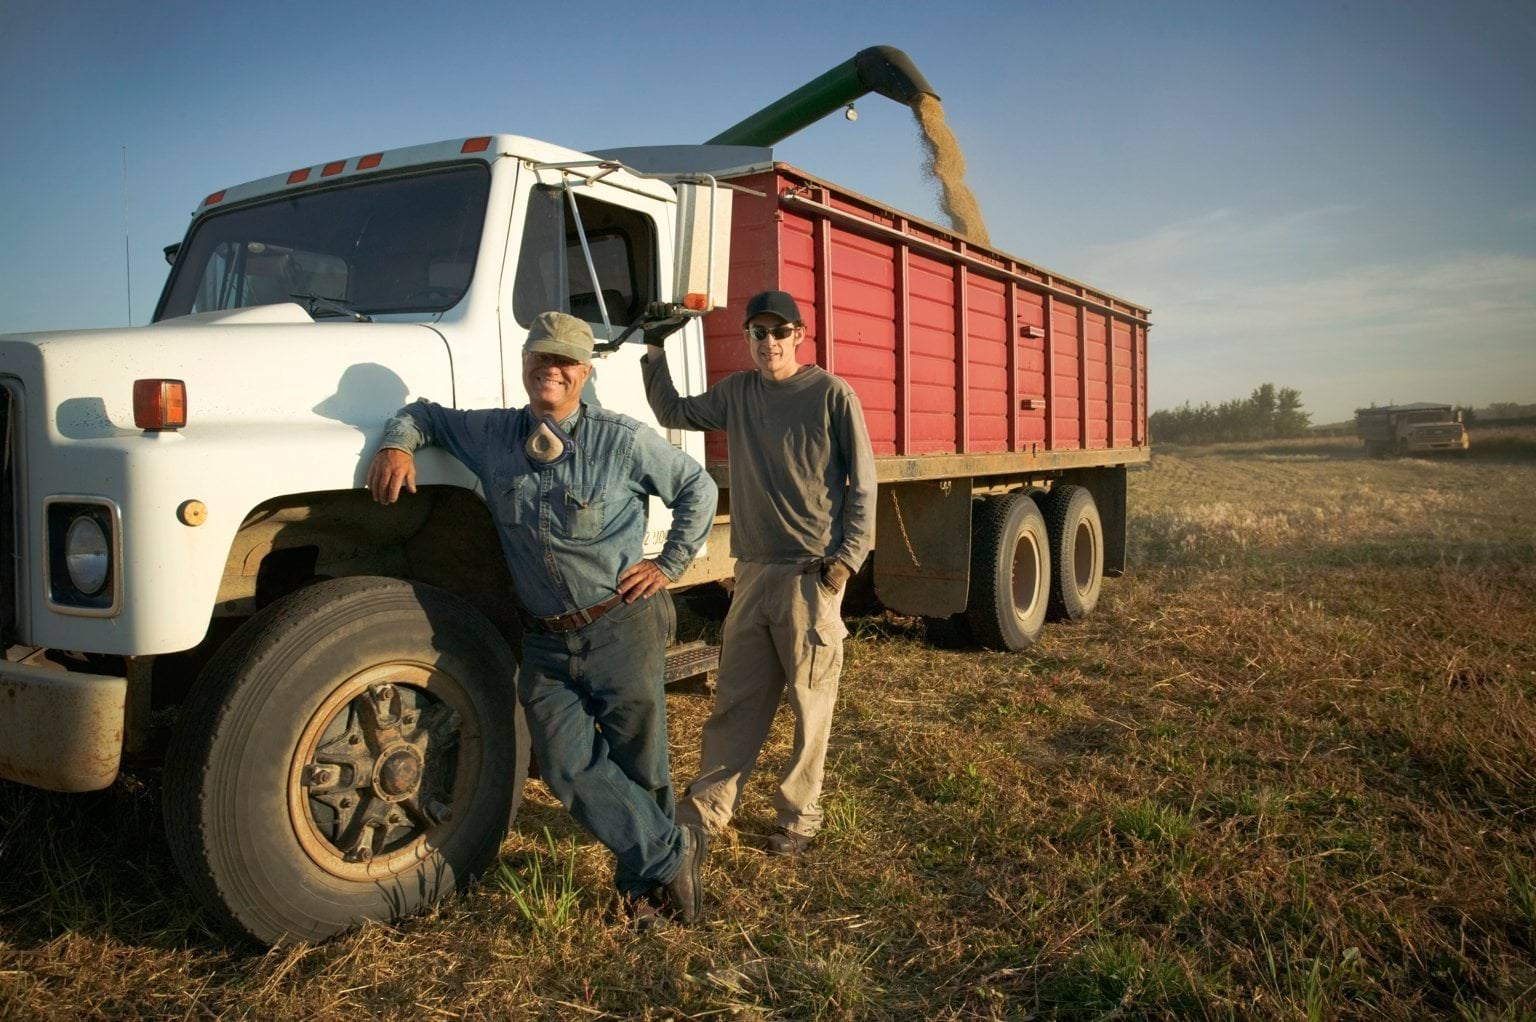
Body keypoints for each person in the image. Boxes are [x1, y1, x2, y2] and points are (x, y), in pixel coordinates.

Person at [366, 310, 718, 925]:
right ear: (525, 363)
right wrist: (398, 442)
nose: (549, 369)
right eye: (540, 357)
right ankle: (672, 852)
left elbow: (698, 487)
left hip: (620, 625)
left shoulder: (621, 439)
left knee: (642, 762)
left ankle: (643, 891)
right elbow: (422, 413)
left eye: (564, 361)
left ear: (584, 370)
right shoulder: (495, 434)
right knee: (562, 764)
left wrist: (669, 563)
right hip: (547, 643)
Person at [641, 290, 876, 855]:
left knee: (809, 705)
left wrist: (844, 563)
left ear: (799, 335)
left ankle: (799, 818)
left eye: (778, 332)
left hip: (809, 575)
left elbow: (863, 485)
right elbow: (673, 411)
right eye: (757, 332)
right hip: (751, 574)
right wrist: (653, 348)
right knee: (737, 701)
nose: (768, 342)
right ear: (748, 339)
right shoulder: (738, 393)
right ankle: (706, 811)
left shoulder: (830, 395)